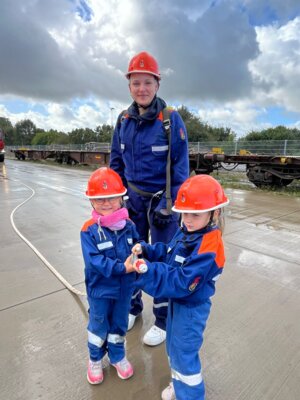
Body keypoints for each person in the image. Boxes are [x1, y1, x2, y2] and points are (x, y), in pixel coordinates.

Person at [125, 174, 229, 400]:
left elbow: (182, 282)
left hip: (191, 310)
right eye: (184, 213)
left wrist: (146, 270)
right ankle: (179, 383)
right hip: (178, 305)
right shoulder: (189, 232)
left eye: (195, 214)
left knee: (184, 354)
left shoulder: (209, 247)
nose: (188, 220)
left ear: (215, 213)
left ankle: (190, 394)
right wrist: (147, 250)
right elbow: (169, 254)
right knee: (173, 348)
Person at [110, 51, 189, 346]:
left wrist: (171, 205)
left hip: (162, 205)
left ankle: (163, 321)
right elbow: (116, 164)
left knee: (164, 261)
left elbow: (180, 168)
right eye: (135, 83)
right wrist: (116, 202)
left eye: (147, 82)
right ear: (129, 86)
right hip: (132, 204)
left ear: (157, 85)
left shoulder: (170, 120)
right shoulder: (123, 119)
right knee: (131, 255)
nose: (141, 88)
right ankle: (132, 308)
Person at [80, 167, 139, 385]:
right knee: (98, 326)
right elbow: (95, 262)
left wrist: (140, 253)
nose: (106, 203)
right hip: (100, 291)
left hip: (124, 290)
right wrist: (122, 268)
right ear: (91, 202)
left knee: (119, 325)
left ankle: (117, 356)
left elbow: (137, 245)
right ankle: (95, 360)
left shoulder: (130, 226)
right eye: (99, 199)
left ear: (121, 198)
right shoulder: (88, 230)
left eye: (111, 198)